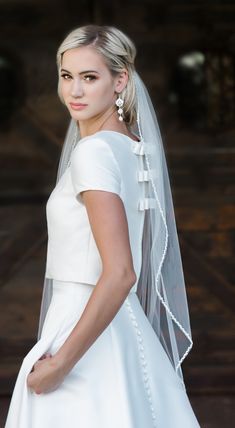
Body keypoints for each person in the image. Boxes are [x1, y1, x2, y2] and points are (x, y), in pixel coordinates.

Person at [5, 25, 201, 427]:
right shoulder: (131, 147)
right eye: (66, 76)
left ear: (120, 80)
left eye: (90, 77)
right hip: (122, 329)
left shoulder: (93, 153)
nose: (74, 91)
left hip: (84, 331)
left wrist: (62, 363)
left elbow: (121, 273)